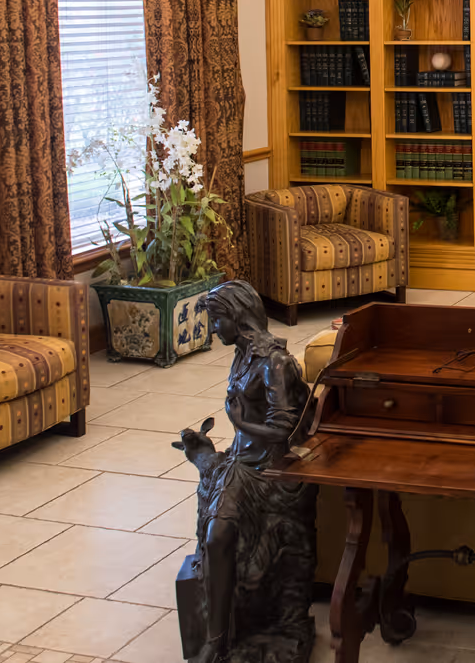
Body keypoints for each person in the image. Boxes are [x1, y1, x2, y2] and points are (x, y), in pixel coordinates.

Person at [176, 280, 314, 663]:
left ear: (237, 316)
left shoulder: (275, 362)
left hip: (267, 471)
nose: (213, 328)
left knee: (219, 534)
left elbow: (283, 432)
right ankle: (217, 638)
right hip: (242, 462)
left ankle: (216, 639)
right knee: (215, 532)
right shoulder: (241, 355)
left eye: (217, 319)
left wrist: (240, 421)